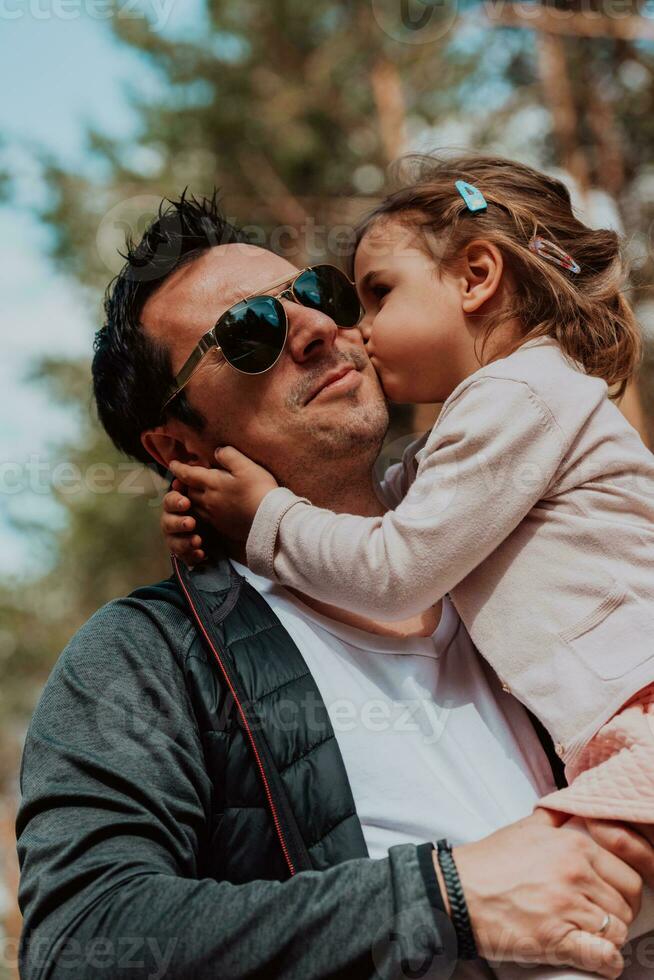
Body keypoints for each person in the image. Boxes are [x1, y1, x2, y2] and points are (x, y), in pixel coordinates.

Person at [17, 191, 654, 980]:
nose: (319, 328)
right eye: (249, 332)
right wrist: (442, 899)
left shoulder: (524, 550)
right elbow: (82, 942)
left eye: (318, 293)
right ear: (176, 440)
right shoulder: (143, 659)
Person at [161, 158, 654, 923]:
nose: (346, 329)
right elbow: (375, 526)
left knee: (558, 895)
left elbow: (395, 567)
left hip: (643, 716)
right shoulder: (483, 421)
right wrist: (222, 524)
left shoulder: (518, 394)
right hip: (619, 722)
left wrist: (262, 520)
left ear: (476, 276)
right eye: (251, 332)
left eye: (373, 293)